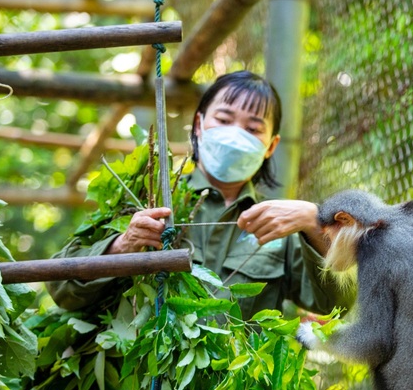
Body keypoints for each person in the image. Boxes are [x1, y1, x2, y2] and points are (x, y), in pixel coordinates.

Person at [47, 71, 354, 318]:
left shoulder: (281, 226)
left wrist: (315, 223)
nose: (235, 134)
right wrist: (123, 244)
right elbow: (61, 287)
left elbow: (338, 305)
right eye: (223, 120)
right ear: (199, 124)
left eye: (253, 128)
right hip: (140, 388)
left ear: (271, 146)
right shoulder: (143, 199)